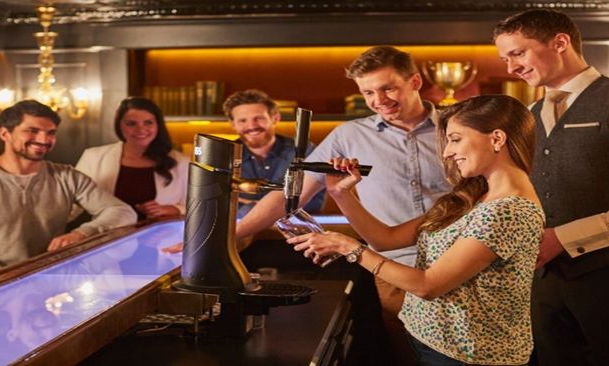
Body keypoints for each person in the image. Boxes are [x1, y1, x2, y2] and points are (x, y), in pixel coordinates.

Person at [289, 95, 544, 365]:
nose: (446, 152)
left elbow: (428, 285)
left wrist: (348, 247)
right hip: (434, 342)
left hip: (469, 356)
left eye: (455, 139)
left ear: (496, 139)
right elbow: (385, 239)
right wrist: (341, 194)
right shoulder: (473, 196)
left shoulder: (508, 211)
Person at [235, 46, 451, 364]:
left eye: (388, 87)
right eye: (368, 92)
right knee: (411, 356)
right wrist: (230, 235)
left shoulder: (458, 125)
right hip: (393, 268)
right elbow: (288, 195)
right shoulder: (348, 136)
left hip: (462, 261)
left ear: (415, 81)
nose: (379, 100)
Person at [494, 9, 609, 366]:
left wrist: (564, 236)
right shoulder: (526, 114)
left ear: (560, 42)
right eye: (505, 58)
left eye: (518, 53)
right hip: (542, 283)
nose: (511, 68)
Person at [0, 100, 136, 276]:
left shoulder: (67, 176)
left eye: (51, 132)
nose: (44, 139)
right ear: (5, 134)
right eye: (33, 131)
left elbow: (122, 211)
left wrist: (81, 233)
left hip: (46, 280)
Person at [75, 97, 190, 220]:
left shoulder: (182, 162)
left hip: (164, 237)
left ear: (158, 125)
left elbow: (200, 206)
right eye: (131, 124)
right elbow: (72, 203)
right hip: (110, 235)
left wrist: (173, 209)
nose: (140, 129)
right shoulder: (93, 157)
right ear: (119, 126)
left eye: (148, 122)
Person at [222, 89, 325, 218]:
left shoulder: (303, 150)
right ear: (233, 124)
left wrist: (251, 206)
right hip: (243, 230)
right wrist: (276, 205)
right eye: (242, 121)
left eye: (259, 118)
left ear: (275, 118)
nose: (252, 126)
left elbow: (314, 200)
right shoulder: (223, 155)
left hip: (297, 231)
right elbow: (218, 201)